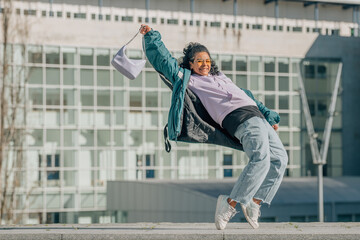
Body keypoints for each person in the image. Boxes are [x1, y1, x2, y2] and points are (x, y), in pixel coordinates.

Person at [140, 25, 288, 230]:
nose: (205, 64)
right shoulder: (188, 79)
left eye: (207, 61)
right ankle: (230, 204)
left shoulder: (222, 78)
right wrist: (151, 36)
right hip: (239, 118)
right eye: (199, 61)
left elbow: (248, 97)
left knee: (280, 158)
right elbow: (164, 61)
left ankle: (255, 202)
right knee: (260, 158)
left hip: (257, 116)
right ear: (190, 63)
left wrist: (270, 115)